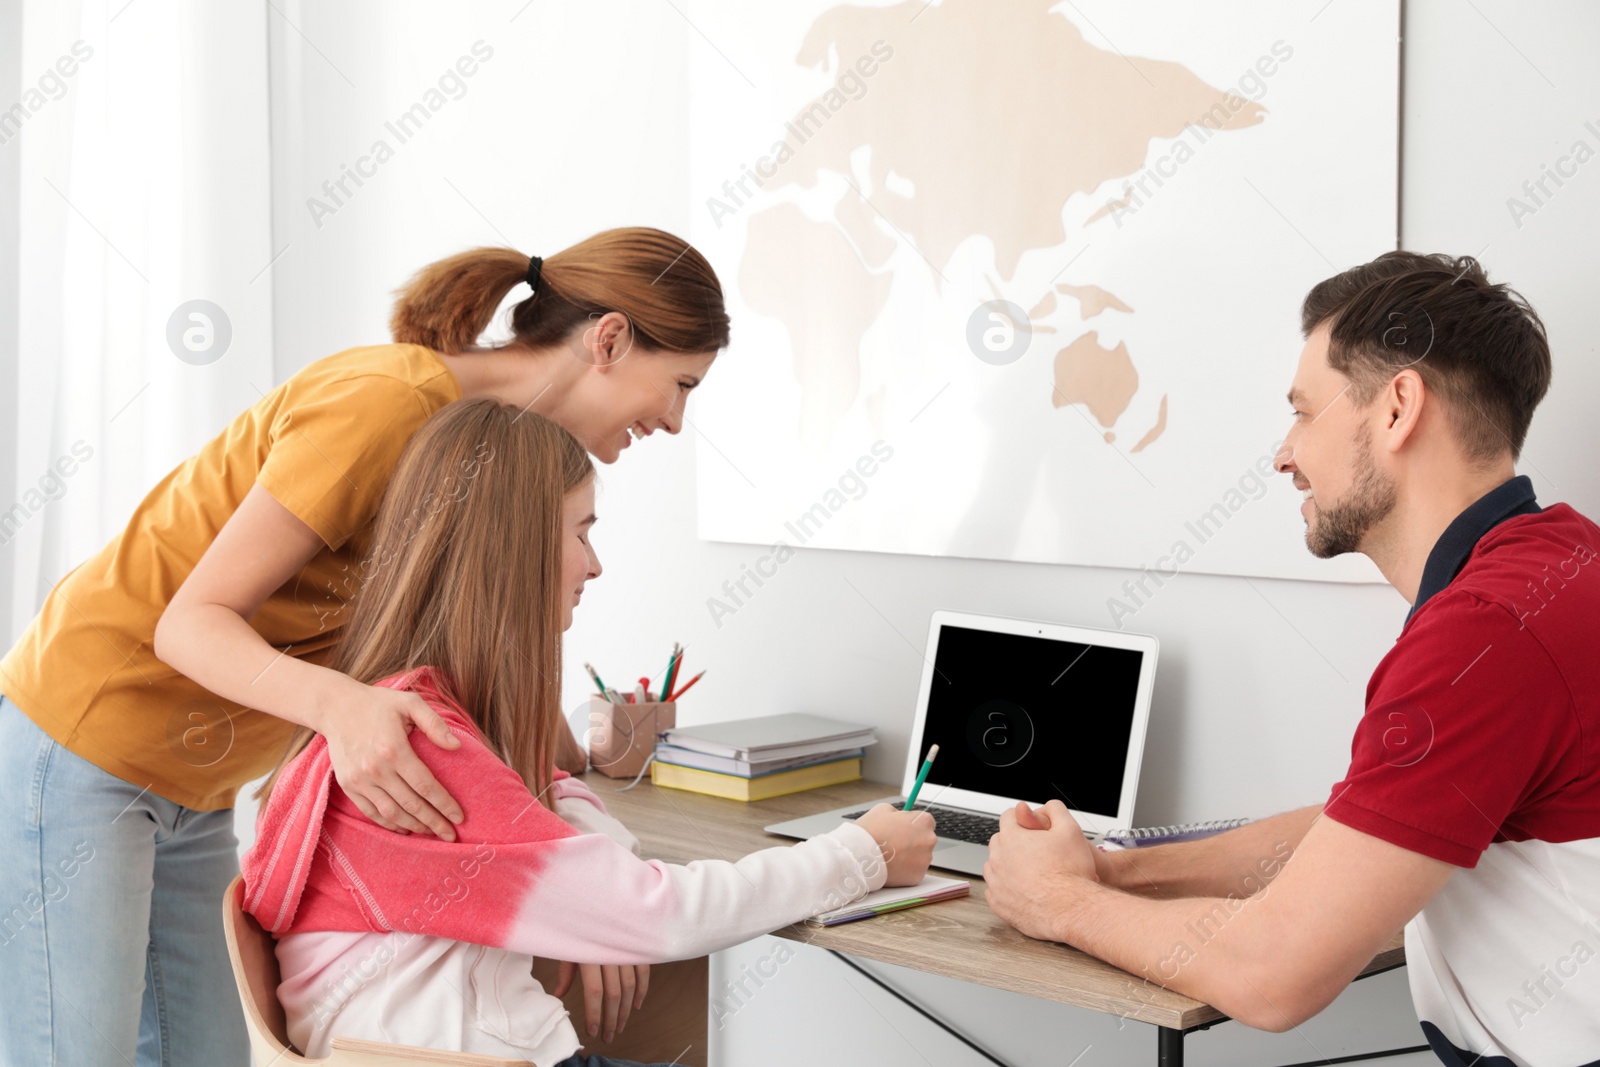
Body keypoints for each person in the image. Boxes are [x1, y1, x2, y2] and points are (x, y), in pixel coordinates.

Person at [0, 227, 730, 1066]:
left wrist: (582, 774)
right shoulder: (385, 406)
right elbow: (188, 621)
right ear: (609, 340)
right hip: (86, 737)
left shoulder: (477, 451)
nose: (675, 420)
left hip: (194, 782)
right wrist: (344, 707)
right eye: (679, 384)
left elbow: (456, 654)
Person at [984, 251, 1600, 1066]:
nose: (1282, 454)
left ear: (1396, 409)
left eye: (1305, 413)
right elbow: (1373, 832)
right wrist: (1112, 871)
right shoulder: (1561, 562)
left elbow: (1274, 974)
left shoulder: (1483, 634)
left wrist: (1055, 899)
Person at [241, 398, 938, 1065]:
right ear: (512, 548)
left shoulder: (406, 711)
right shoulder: (424, 746)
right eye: (581, 531)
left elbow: (553, 789)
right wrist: (864, 850)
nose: (594, 564)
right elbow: (662, 912)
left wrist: (591, 907)